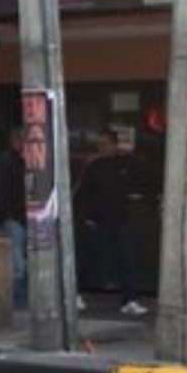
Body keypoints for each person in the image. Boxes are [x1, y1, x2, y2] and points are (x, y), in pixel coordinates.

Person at [76, 129, 147, 316]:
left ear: (115, 145)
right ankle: (75, 293)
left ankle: (129, 299)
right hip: (97, 219)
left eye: (106, 144)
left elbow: (139, 181)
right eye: (100, 144)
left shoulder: (124, 164)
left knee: (126, 259)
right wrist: (87, 217)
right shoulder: (93, 166)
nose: (102, 148)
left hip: (120, 218)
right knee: (90, 257)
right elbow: (85, 193)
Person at [0, 127, 28, 309]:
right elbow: (1, 190)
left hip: (26, 217)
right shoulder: (7, 161)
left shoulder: (28, 161)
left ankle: (22, 298)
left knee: (23, 260)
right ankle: (17, 300)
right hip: (14, 217)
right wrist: (5, 216)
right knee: (17, 263)